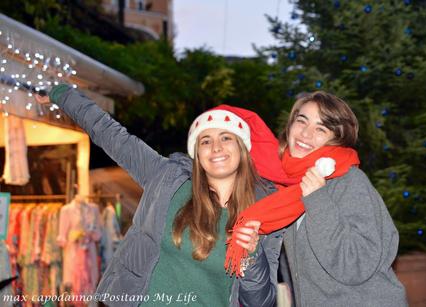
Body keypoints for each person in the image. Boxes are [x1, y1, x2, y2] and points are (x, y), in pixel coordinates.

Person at [35, 85, 282, 307]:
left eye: (226, 138)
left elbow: (261, 302)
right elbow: (113, 136)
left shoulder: (263, 215)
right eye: (205, 141)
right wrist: (64, 95)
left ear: (243, 148)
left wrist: (252, 256)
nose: (216, 147)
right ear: (197, 152)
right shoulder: (167, 178)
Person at [225, 91, 407, 306]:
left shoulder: (348, 181)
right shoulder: (286, 189)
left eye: (321, 129)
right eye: (301, 121)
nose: (305, 134)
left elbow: (356, 266)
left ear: (336, 141)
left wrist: (318, 200)